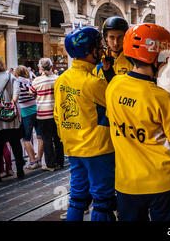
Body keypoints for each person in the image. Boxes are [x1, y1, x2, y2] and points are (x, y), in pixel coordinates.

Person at [106, 23, 170, 221]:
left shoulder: (113, 86)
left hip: (127, 183)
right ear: (155, 57)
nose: (165, 63)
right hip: (163, 182)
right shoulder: (161, 98)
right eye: (164, 58)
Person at [54, 26, 116, 221]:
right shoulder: (93, 83)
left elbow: (58, 115)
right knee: (102, 201)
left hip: (73, 148)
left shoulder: (61, 79)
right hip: (97, 149)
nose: (102, 49)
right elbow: (115, 106)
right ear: (89, 51)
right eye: (98, 46)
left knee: (77, 197)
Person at [0, 55, 25, 183]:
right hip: (11, 117)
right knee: (16, 144)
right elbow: (17, 91)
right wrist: (12, 101)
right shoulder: (9, 76)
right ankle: (20, 170)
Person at [30, 58, 64, 172]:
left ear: (40, 68)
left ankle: (50, 164)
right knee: (58, 138)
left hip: (43, 114)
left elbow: (31, 93)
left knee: (47, 139)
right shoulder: (58, 79)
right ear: (51, 67)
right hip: (56, 113)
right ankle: (60, 161)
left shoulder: (37, 81)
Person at [14, 65, 43, 170]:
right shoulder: (31, 81)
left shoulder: (16, 82)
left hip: (25, 112)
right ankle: (39, 159)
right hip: (37, 109)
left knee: (26, 138)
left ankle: (32, 161)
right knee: (40, 136)